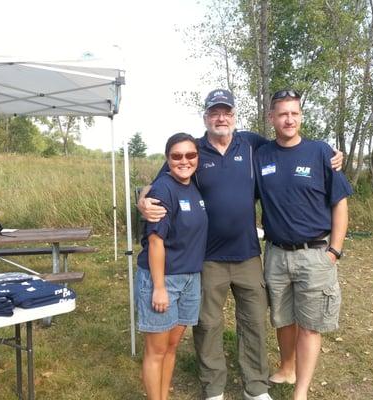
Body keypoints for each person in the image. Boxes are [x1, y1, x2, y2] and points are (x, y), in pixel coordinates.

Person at [138, 89, 343, 400]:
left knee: (254, 323)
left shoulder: (251, 145)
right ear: (205, 117)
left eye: (227, 112)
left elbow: (288, 147)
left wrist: (334, 154)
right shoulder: (193, 151)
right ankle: (214, 389)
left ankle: (256, 388)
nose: (221, 118)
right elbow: (159, 183)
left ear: (235, 116)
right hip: (207, 257)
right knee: (208, 326)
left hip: (248, 255)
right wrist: (142, 199)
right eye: (214, 112)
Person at [254, 89, 353, 400]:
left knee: (310, 324)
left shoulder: (322, 153)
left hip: (315, 253)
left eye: (294, 113)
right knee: (282, 319)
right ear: (271, 118)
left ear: (301, 116)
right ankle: (287, 368)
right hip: (276, 254)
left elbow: (340, 204)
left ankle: (301, 392)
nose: (289, 119)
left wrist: (334, 251)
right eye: (282, 114)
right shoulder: (262, 155)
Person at [135, 132, 208, 400]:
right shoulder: (164, 189)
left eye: (190, 155)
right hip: (164, 280)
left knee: (172, 346)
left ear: (197, 158)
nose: (184, 161)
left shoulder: (194, 185)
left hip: (190, 279)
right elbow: (155, 242)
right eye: (176, 156)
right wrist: (159, 287)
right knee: (156, 351)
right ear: (167, 159)